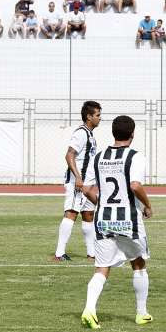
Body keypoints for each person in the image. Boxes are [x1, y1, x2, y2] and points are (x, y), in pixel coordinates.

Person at [79, 115, 153, 329]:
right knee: (138, 263)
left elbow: (86, 188)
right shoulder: (135, 156)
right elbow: (135, 185)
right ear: (132, 134)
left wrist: (101, 203)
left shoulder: (99, 157)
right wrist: (148, 205)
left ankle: (89, 309)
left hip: (103, 219)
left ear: (113, 133)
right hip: (128, 220)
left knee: (101, 268)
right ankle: (141, 313)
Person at [52, 101, 101, 262]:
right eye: (97, 115)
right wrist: (78, 177)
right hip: (78, 183)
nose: (99, 118)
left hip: (88, 184)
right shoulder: (81, 133)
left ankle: (91, 253)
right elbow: (69, 155)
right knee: (71, 213)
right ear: (89, 117)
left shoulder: (90, 134)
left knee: (88, 215)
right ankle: (59, 253)